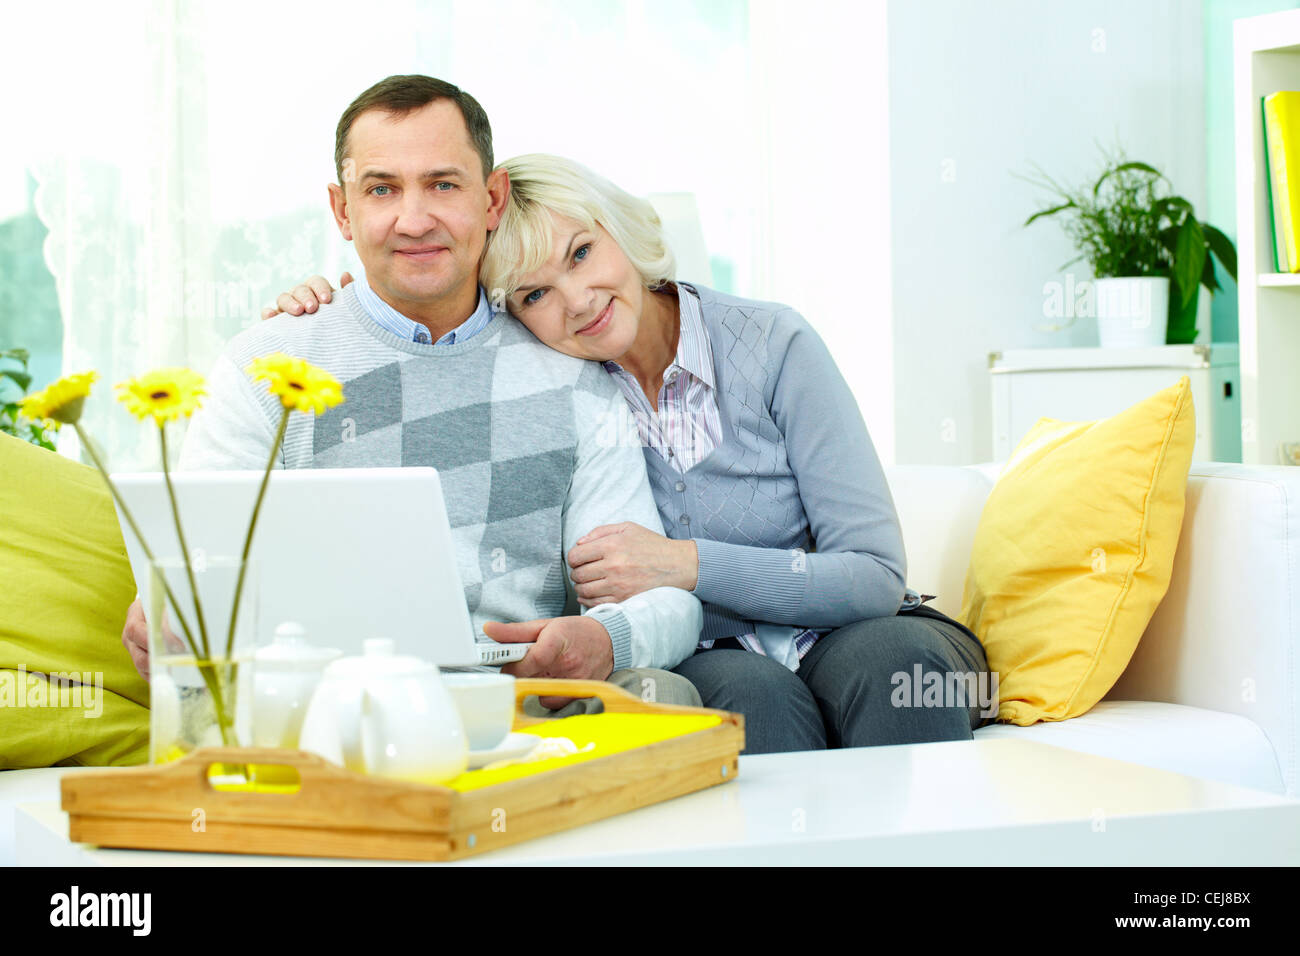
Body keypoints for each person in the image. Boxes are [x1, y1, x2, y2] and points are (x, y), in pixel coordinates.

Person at [270, 152, 994, 754]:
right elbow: (431, 342)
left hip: (857, 629)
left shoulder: (775, 344)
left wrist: (687, 563)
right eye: (535, 295)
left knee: (891, 661)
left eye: (582, 254)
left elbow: (871, 576)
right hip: (714, 658)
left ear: (620, 231)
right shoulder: (561, 388)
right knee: (745, 698)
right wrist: (328, 310)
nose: (578, 299)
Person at [121, 76, 705, 716]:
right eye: (382, 190)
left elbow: (664, 600)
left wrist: (602, 638)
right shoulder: (263, 366)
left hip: (515, 726)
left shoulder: (577, 379)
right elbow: (192, 572)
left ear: (492, 200)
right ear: (343, 211)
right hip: (318, 726)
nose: (415, 219)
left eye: (443, 184)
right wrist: (165, 614)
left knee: (665, 701)